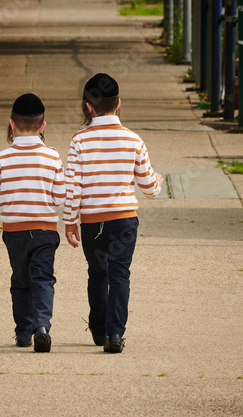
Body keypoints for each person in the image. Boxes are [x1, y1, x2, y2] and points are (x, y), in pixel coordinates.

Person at [63, 73, 163, 353]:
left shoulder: (79, 141)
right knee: (120, 275)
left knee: (97, 274)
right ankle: (115, 334)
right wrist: (158, 180)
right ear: (118, 104)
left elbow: (73, 187)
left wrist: (70, 222)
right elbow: (148, 186)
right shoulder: (133, 140)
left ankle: (98, 329)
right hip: (124, 221)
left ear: (88, 107)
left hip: (92, 224)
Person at [0, 94, 65, 352]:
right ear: (42, 126)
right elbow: (60, 196)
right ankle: (42, 326)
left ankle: (22, 333)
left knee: (20, 281)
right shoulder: (53, 157)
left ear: (12, 124)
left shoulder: (1, 158)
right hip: (44, 231)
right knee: (43, 279)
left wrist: (9, 200)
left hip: (14, 232)